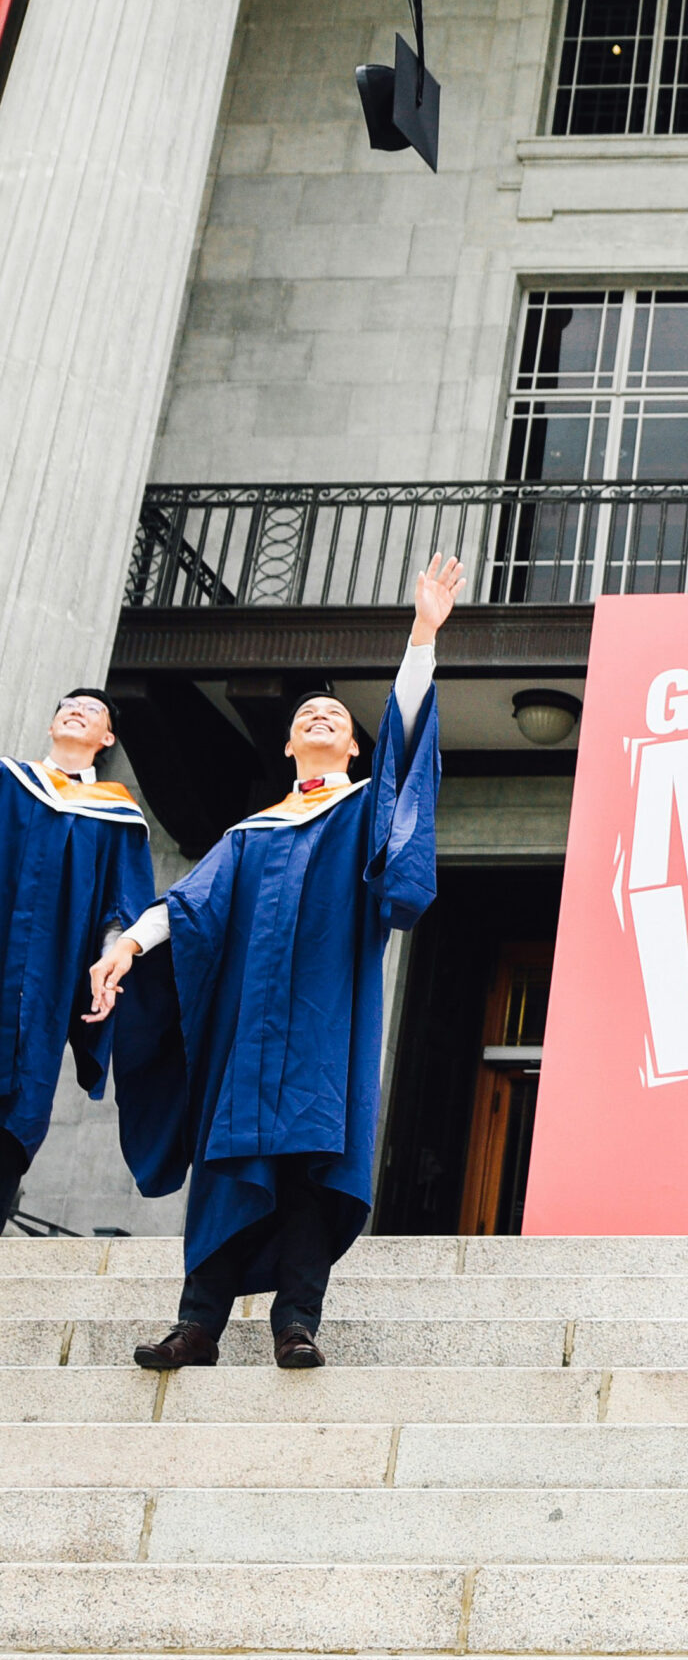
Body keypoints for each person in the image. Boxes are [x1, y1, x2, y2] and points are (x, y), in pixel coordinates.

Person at [91, 555, 458, 1370]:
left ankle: (296, 1323)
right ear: (290, 743)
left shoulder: (366, 810)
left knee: (304, 1172)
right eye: (309, 716)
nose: (322, 719)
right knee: (230, 1167)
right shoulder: (249, 834)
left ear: (354, 749)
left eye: (337, 717)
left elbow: (405, 750)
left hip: (325, 1028)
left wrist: (422, 637)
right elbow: (189, 907)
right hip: (249, 1039)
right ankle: (198, 1327)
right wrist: (126, 947)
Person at [0, 691, 158, 1220]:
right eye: (66, 705)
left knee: (15, 1117)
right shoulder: (6, 783)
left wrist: (112, 966)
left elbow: (120, 909)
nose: (75, 710)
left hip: (42, 993)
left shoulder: (113, 814)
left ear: (107, 738)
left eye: (92, 711)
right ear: (50, 726)